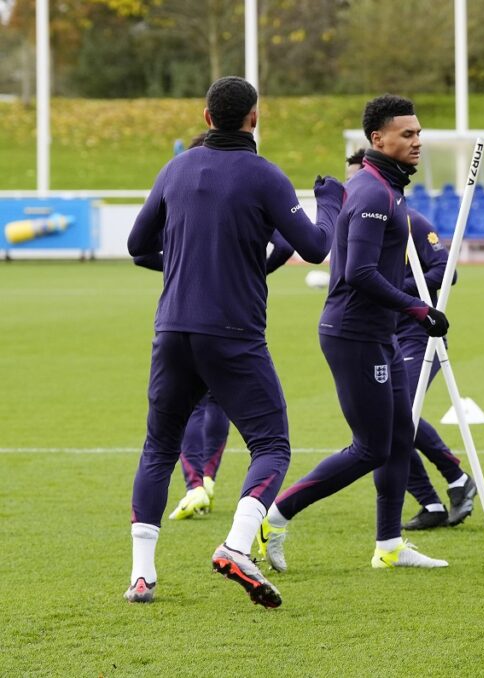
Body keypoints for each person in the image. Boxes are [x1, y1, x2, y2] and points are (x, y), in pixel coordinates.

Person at [124, 76, 341, 608]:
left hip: (172, 330)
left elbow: (137, 246)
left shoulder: (175, 169)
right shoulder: (264, 175)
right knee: (271, 444)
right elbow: (314, 247)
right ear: (254, 118)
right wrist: (330, 202)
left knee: (158, 447)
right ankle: (236, 547)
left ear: (205, 118)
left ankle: (142, 577)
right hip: (233, 334)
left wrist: (184, 265)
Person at [256, 95, 450, 573]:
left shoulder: (388, 188)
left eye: (418, 132)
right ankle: (275, 516)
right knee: (370, 447)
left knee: (400, 436)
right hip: (354, 334)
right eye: (407, 134)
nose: (417, 141)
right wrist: (418, 308)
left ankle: (389, 544)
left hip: (379, 332)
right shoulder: (370, 194)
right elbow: (360, 272)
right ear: (377, 139)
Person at [133, 130, 298, 522]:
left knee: (164, 437)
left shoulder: (179, 176)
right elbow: (294, 245)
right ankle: (213, 492)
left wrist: (180, 264)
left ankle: (190, 495)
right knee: (255, 430)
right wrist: (253, 269)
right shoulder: (252, 181)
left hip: (177, 321)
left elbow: (138, 250)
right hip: (232, 322)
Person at [345, 149, 477, 531]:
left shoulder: (411, 222)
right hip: (380, 336)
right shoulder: (361, 224)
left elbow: (445, 271)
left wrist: (391, 289)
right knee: (382, 425)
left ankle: (456, 477)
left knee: (399, 415)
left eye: (359, 180)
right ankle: (431, 503)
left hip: (420, 337)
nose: (355, 189)